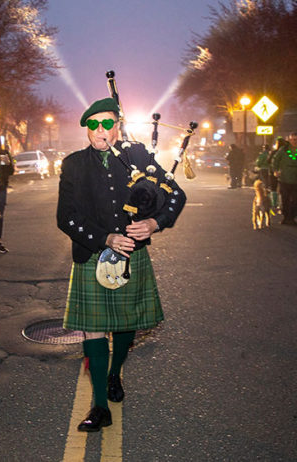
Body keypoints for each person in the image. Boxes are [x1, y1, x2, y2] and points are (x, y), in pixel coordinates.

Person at [57, 98, 186, 432]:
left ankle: (115, 372)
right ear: (87, 128)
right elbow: (65, 217)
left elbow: (175, 195)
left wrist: (156, 223)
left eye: (107, 123)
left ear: (117, 126)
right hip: (91, 255)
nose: (100, 130)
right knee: (94, 330)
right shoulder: (72, 165)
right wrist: (106, 239)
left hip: (133, 256)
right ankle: (100, 405)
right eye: (93, 124)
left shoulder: (137, 157)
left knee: (126, 326)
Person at [272, 132, 297, 225]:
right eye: (292, 139)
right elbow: (275, 160)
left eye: (296, 139)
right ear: (289, 140)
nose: (294, 141)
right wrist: (276, 171)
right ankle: (286, 217)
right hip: (284, 179)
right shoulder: (283, 150)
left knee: (296, 200)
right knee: (285, 199)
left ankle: (292, 217)